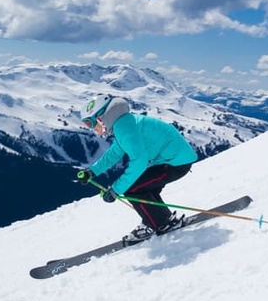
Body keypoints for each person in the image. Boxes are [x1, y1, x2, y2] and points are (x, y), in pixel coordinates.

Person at [76, 95, 199, 242]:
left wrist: (116, 190)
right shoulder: (123, 124)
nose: (92, 129)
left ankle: (158, 224)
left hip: (175, 163)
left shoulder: (123, 127)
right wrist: (92, 171)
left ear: (101, 118)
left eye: (90, 123)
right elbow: (115, 152)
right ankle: (163, 220)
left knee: (133, 189)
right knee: (142, 188)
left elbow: (139, 162)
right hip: (173, 160)